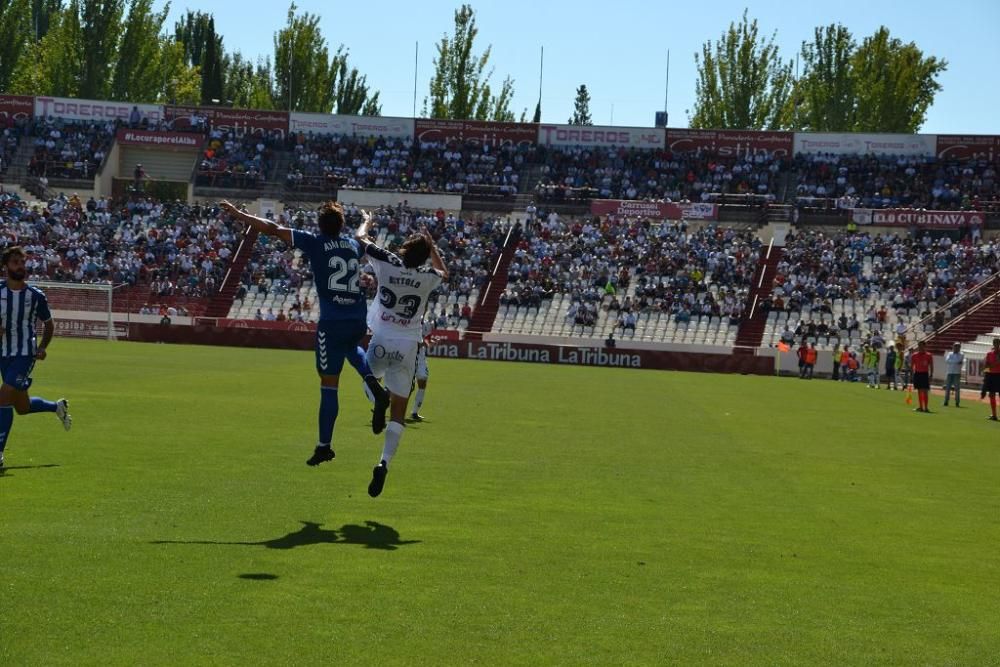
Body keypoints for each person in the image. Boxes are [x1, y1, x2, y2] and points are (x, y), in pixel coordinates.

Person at [219, 201, 389, 467]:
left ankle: (324, 446)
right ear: (341, 225)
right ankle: (373, 384)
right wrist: (367, 219)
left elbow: (274, 229)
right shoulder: (353, 245)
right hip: (357, 316)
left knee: (329, 385)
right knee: (351, 348)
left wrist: (240, 214)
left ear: (320, 226)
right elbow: (361, 236)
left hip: (332, 321)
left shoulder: (315, 242)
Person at [355, 213, 448, 498]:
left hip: (381, 338)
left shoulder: (386, 262)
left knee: (367, 378)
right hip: (408, 345)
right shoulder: (427, 276)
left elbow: (360, 240)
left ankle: (376, 399)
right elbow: (445, 272)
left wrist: (367, 223)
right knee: (399, 413)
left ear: (405, 247)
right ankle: (383, 462)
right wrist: (432, 247)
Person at [0, 246, 72, 470]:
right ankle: (56, 407)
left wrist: (42, 347)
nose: (20, 266)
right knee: (21, 407)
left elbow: (49, 325)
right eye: (15, 262)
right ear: (6, 266)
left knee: (3, 396)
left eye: (22, 262)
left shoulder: (35, 296)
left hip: (25, 354)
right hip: (4, 354)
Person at [410, 316, 434, 421]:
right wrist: (425, 343)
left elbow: (425, 340)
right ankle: (381, 404)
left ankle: (415, 412)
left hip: (420, 358)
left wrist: (431, 342)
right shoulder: (409, 324)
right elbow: (415, 344)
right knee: (405, 387)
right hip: (409, 357)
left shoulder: (427, 325)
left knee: (423, 383)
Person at [910, 341, 934, 413]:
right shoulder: (914, 355)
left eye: (922, 346)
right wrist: (912, 375)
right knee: (919, 391)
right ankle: (920, 407)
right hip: (917, 374)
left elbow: (931, 366)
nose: (920, 347)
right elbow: (912, 366)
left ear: (925, 346)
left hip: (924, 374)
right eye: (919, 346)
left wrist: (931, 374)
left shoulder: (928, 355)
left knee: (925, 391)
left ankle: (926, 408)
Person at [981, 338, 1000, 421]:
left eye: (997, 343)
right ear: (993, 344)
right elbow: (986, 366)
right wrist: (986, 376)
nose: (996, 344)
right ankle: (994, 415)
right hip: (991, 376)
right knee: (991, 395)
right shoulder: (989, 354)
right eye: (995, 343)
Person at [942, 342, 964, 407]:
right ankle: (946, 401)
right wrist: (955, 361)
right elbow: (947, 360)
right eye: (955, 346)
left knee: (957, 389)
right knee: (947, 388)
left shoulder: (961, 354)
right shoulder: (950, 353)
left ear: (959, 348)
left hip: (957, 373)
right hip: (949, 372)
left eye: (957, 347)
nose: (956, 348)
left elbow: (957, 360)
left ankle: (957, 402)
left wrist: (952, 361)